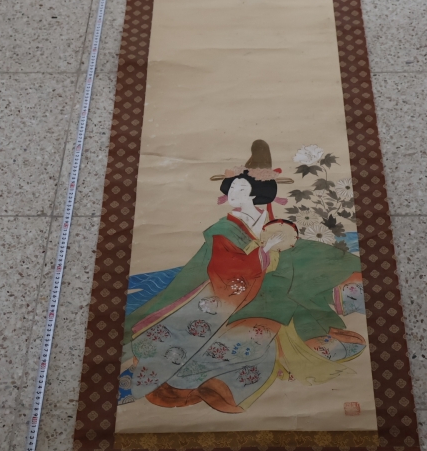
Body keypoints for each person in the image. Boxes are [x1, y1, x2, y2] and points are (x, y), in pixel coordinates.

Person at [118, 140, 366, 414]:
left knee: (252, 346)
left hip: (262, 292)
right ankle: (135, 381)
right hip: (222, 294)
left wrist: (277, 251)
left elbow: (281, 249)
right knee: (180, 339)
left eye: (241, 189)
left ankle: (202, 384)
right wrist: (265, 253)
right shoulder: (224, 229)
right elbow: (227, 268)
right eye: (232, 188)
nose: (233, 194)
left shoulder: (267, 221)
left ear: (256, 192)